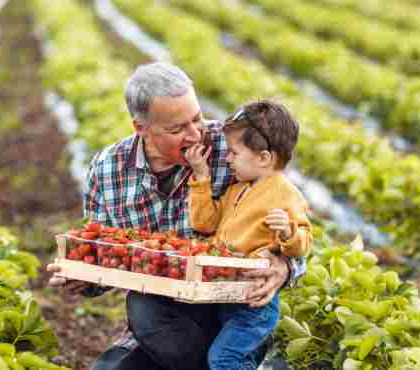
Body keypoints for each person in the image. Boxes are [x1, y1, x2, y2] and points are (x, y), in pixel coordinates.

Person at [45, 62, 307, 370]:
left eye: (196, 118)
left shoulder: (233, 151)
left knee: (151, 311)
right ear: (141, 128)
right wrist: (83, 276)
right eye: (177, 128)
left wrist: (285, 268)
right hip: (162, 326)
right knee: (139, 313)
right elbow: (108, 256)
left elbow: (291, 222)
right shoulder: (107, 170)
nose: (196, 134)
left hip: (230, 313)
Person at [185, 99, 313, 370]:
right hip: (228, 294)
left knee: (224, 359)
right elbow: (205, 223)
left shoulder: (286, 194)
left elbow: (304, 244)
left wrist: (289, 232)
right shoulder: (239, 188)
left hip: (254, 305)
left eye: (233, 153)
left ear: (264, 158)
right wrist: (201, 175)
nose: (227, 158)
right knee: (233, 359)